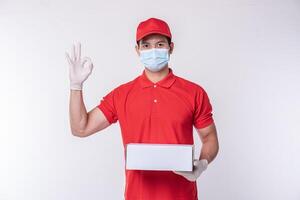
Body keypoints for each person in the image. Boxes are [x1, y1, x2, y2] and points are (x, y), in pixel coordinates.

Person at [66, 17, 219, 200]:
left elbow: (210, 137)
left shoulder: (194, 92)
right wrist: (76, 86)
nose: (153, 50)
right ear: (137, 50)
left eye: (160, 44)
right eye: (146, 45)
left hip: (182, 196)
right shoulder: (121, 94)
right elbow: (80, 128)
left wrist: (202, 164)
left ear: (171, 48)